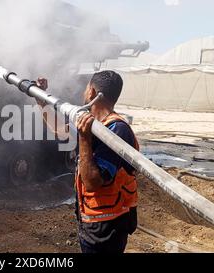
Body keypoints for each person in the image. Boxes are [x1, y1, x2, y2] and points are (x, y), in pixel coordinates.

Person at [36, 71, 139, 253]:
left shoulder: (117, 130)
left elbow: (92, 182)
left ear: (92, 92)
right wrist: (41, 101)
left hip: (108, 226)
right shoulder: (93, 124)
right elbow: (59, 130)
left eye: (85, 89)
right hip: (93, 220)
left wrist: (84, 139)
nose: (84, 93)